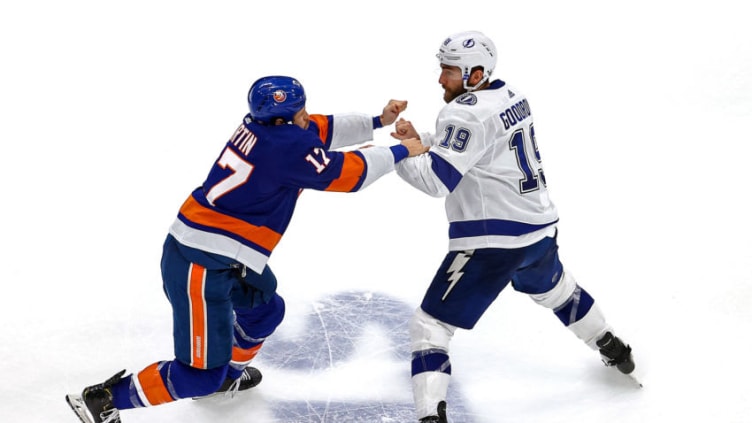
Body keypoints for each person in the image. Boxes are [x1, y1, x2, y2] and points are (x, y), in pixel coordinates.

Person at [65, 75, 429, 423]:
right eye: (301, 111)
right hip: (200, 266)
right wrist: (400, 150)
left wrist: (378, 120)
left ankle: (226, 378)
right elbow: (348, 175)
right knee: (198, 376)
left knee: (265, 310)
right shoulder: (287, 146)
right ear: (285, 120)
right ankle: (106, 400)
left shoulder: (265, 128)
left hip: (225, 255)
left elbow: (321, 128)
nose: (308, 116)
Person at [390, 31, 637, 422]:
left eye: (449, 71)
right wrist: (423, 139)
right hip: (538, 231)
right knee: (557, 290)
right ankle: (612, 345)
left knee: (430, 325)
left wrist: (400, 153)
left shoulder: (463, 112)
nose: (441, 79)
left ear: (474, 74)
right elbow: (477, 144)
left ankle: (429, 417)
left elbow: (436, 181)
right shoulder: (511, 96)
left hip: (492, 241)